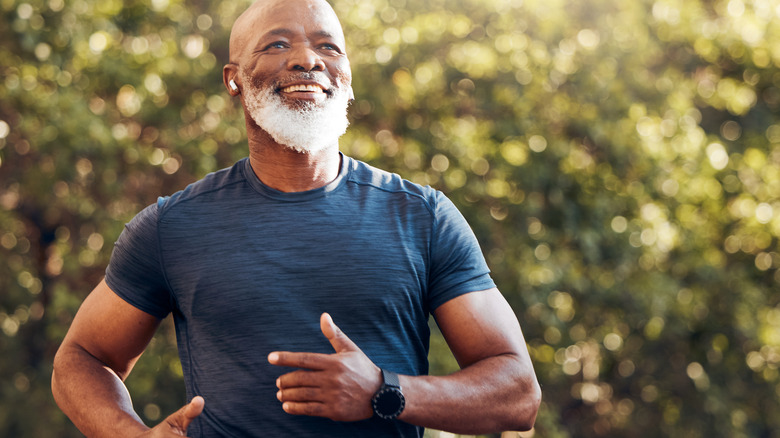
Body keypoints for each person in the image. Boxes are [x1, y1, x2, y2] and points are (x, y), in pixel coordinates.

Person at [51, 0, 542, 436]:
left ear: (347, 76)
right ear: (233, 79)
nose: (308, 59)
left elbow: (518, 393)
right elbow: (81, 359)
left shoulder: (423, 217)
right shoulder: (171, 227)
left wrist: (383, 390)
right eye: (277, 43)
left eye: (328, 47)